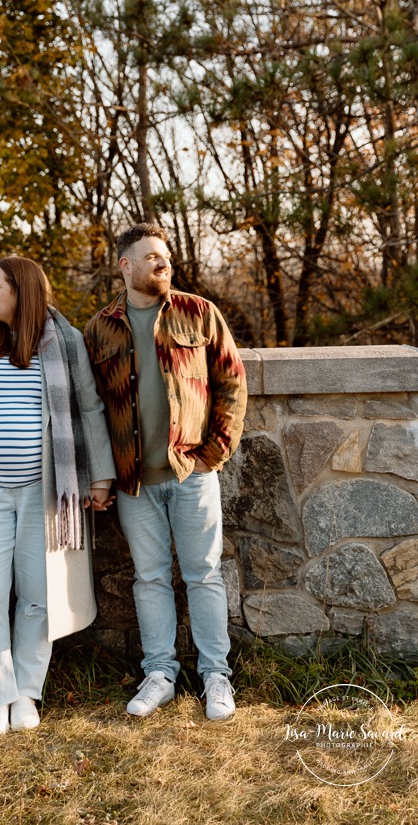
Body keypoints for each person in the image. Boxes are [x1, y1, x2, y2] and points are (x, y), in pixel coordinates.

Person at [0, 255, 115, 736]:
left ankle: (28, 693)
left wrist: (100, 478)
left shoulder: (65, 342)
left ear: (22, 291)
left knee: (37, 599)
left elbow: (91, 408)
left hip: (45, 496)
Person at [84, 223, 247, 722]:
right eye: (150, 256)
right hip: (134, 481)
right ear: (125, 266)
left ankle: (215, 675)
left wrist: (211, 454)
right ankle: (160, 672)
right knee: (149, 578)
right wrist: (102, 474)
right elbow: (89, 407)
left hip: (190, 473)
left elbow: (232, 383)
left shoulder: (198, 313)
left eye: (165, 256)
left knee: (203, 574)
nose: (162, 263)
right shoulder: (99, 328)